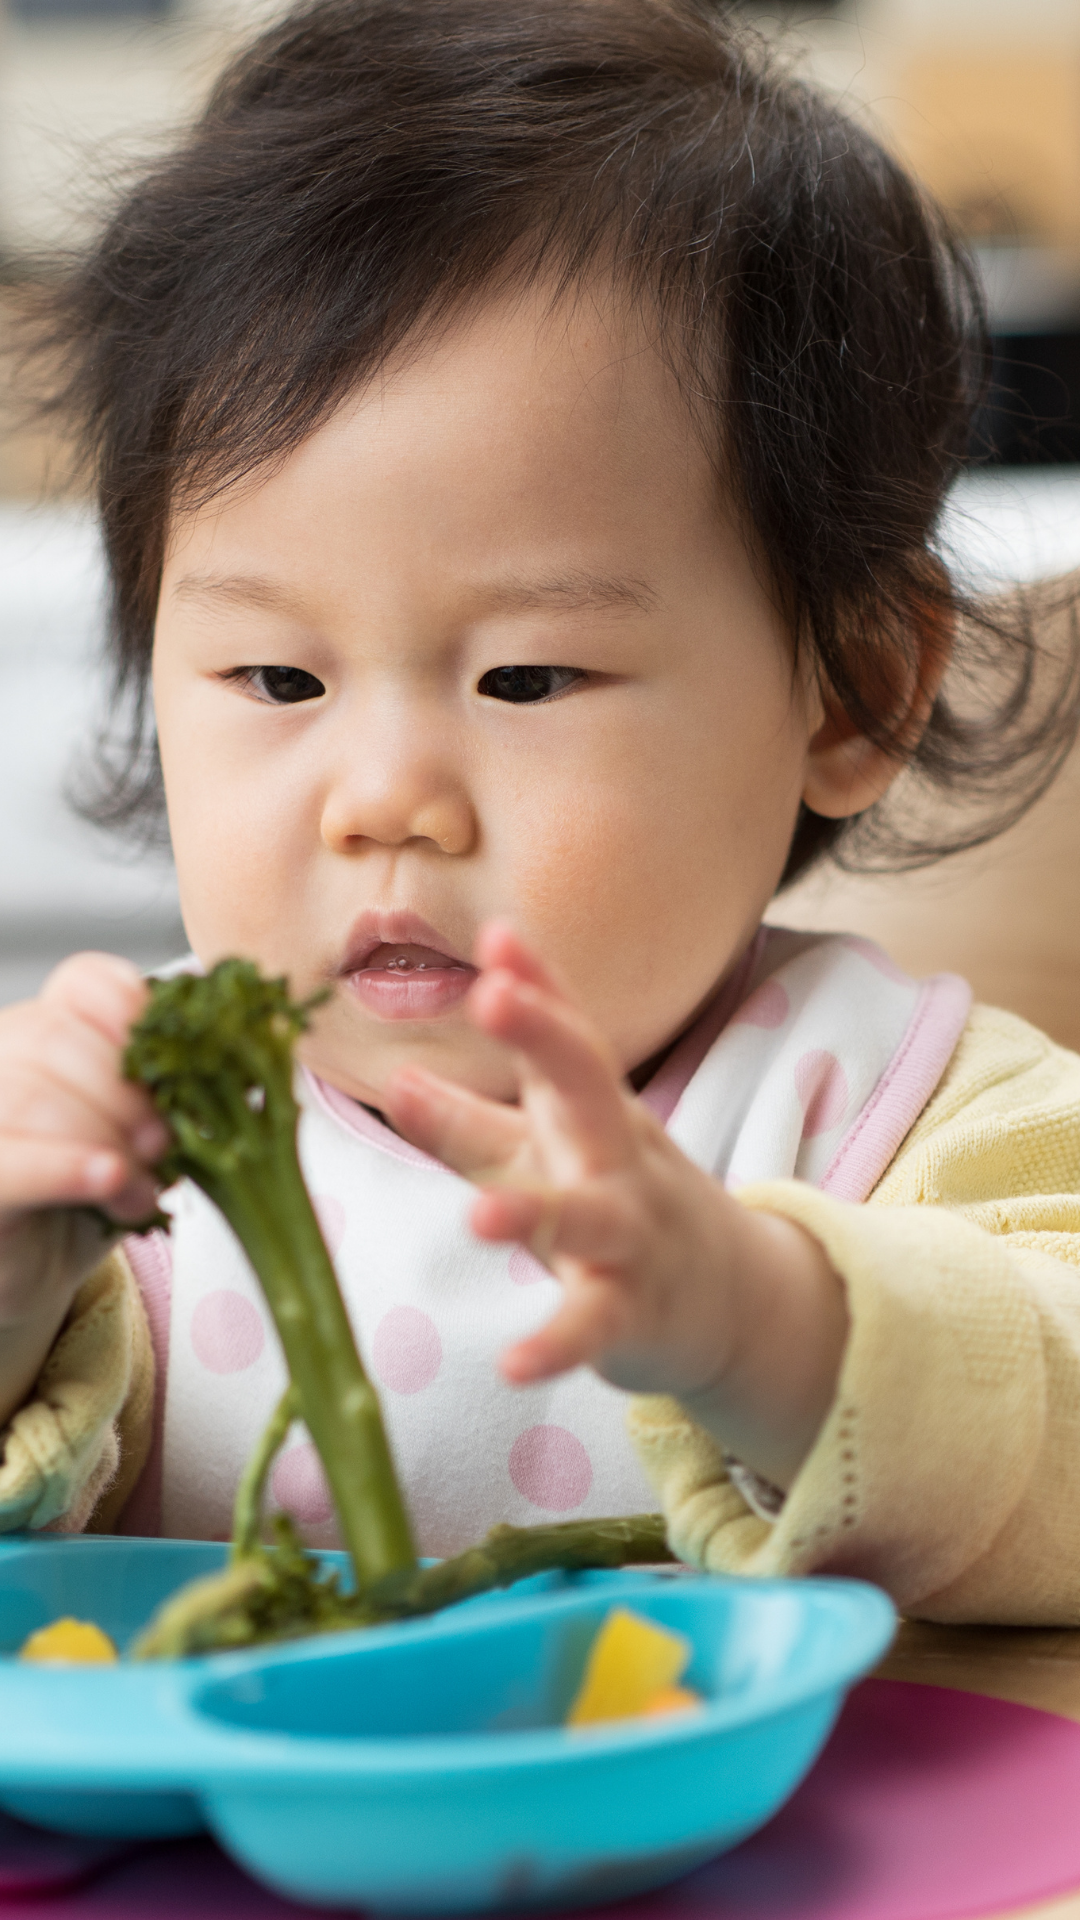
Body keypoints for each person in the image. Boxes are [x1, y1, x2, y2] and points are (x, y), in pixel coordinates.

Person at [2, 0, 1080, 1622]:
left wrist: (762, 1323)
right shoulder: (110, 1161)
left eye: (525, 681)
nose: (385, 803)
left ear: (853, 689)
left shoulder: (905, 1116)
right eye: (278, 682)